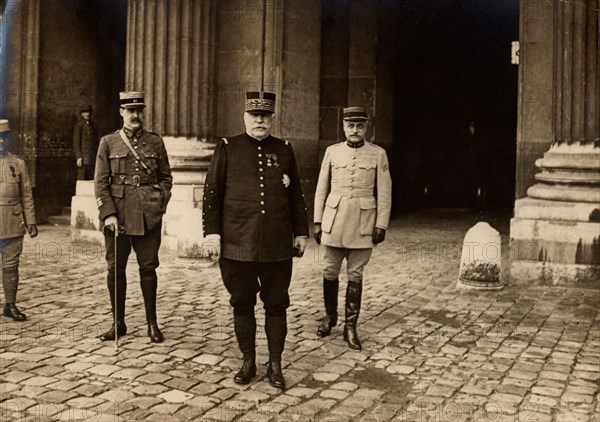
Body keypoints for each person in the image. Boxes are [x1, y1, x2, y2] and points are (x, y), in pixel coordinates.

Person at [203, 91, 309, 389]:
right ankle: (248, 360)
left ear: (271, 118)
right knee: (242, 303)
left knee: (276, 304)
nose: (260, 120)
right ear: (245, 117)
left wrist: (300, 232)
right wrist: (212, 233)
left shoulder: (285, 149)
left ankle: (275, 364)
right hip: (237, 243)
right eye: (254, 115)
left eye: (265, 116)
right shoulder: (228, 147)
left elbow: (296, 195)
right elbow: (212, 194)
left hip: (277, 245)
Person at [94, 91, 172, 343]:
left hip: (148, 216)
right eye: (130, 111)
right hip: (117, 218)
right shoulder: (108, 142)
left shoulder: (155, 142)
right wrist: (108, 215)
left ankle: (152, 323)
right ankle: (118, 323)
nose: (135, 115)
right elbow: (101, 182)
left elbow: (166, 178)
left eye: (139, 110)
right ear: (122, 113)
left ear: (143, 112)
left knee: (148, 269)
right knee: (115, 269)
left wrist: (159, 203)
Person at [313, 106, 392, 351]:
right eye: (350, 125)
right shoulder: (332, 152)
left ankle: (350, 325)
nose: (355, 130)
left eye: (359, 126)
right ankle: (329, 317)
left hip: (362, 224)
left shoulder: (377, 154)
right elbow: (321, 188)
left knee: (355, 275)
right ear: (344, 127)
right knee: (329, 271)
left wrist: (381, 224)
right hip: (334, 221)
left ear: (366, 127)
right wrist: (317, 221)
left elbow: (385, 191)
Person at [0, 119, 38, 321]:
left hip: (13, 223)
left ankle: (10, 305)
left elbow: (26, 195)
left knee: (11, 266)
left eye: (3, 138)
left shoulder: (18, 164)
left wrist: (31, 221)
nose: (0, 142)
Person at [73, 104, 99, 180]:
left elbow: (96, 142)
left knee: (91, 180)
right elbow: (76, 143)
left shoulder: (93, 126)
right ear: (82, 114)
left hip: (92, 158)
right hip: (83, 159)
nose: (87, 114)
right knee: (82, 180)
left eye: (89, 112)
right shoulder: (79, 126)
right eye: (85, 112)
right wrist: (78, 157)